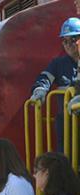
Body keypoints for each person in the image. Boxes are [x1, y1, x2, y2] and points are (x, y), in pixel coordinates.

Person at [30, 17, 80, 151]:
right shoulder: (58, 64)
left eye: (73, 39)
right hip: (67, 125)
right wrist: (39, 90)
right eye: (65, 41)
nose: (69, 44)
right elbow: (45, 77)